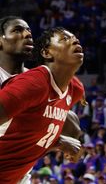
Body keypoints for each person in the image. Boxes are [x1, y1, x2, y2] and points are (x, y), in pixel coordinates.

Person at [0, 27, 85, 183]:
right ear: (47, 53)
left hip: (17, 176)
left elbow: (39, 128)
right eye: (65, 39)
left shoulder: (76, 89)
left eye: (75, 38)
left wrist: (59, 142)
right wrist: (60, 141)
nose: (74, 40)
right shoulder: (33, 83)